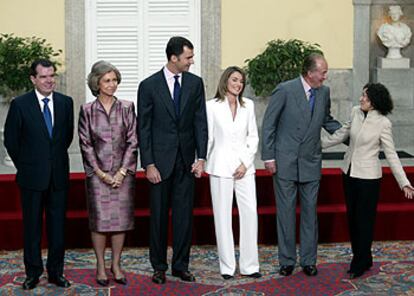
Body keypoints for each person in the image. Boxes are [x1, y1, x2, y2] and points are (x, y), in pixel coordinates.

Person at [322, 83, 414, 279]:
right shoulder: (355, 112)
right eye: (362, 95)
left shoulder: (383, 123)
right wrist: (316, 145)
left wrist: (403, 182)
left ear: (374, 102)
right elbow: (341, 134)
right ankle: (363, 257)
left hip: (369, 179)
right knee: (352, 220)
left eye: (365, 96)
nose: (361, 99)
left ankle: (360, 262)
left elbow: (391, 154)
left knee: (364, 222)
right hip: (349, 173)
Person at [261, 53, 341, 277]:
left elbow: (327, 119)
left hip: (311, 161)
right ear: (310, 73)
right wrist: (269, 157)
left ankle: (308, 260)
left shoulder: (323, 92)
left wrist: (351, 133)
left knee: (309, 214)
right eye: (323, 72)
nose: (325, 77)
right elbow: (269, 125)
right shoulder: (285, 90)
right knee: (285, 213)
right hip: (285, 162)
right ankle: (286, 260)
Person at [137, 36, 208, 284]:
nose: (191, 61)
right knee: (157, 218)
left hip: (186, 162)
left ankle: (180, 266)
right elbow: (143, 128)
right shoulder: (148, 86)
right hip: (159, 163)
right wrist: (149, 164)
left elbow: (201, 121)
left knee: (183, 217)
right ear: (173, 58)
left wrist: (201, 158)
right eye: (188, 57)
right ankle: (158, 267)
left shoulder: (195, 83)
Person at [3, 59, 73, 290]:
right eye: (43, 76)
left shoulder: (65, 103)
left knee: (57, 229)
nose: (49, 80)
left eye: (52, 75)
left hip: (58, 177)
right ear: (33, 79)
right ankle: (33, 273)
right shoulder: (20, 104)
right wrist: (27, 165)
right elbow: (12, 140)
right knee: (32, 228)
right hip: (31, 177)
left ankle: (56, 273)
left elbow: (66, 138)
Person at [78, 61, 138, 286]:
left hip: (123, 175)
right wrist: (101, 174)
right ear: (97, 83)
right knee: (100, 222)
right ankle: (101, 266)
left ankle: (116, 264)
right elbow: (85, 145)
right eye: (107, 80)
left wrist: (123, 172)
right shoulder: (87, 110)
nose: (112, 84)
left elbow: (133, 141)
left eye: (114, 80)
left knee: (120, 221)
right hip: (97, 177)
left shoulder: (127, 107)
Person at [205, 66, 261, 280]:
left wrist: (245, 164)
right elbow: (208, 137)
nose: (238, 84)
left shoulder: (249, 106)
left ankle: (249, 265)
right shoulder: (212, 107)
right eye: (235, 80)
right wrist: (200, 160)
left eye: (241, 81)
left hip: (244, 169)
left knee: (250, 214)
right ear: (225, 81)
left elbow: (253, 137)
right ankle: (227, 266)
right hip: (220, 166)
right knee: (222, 216)